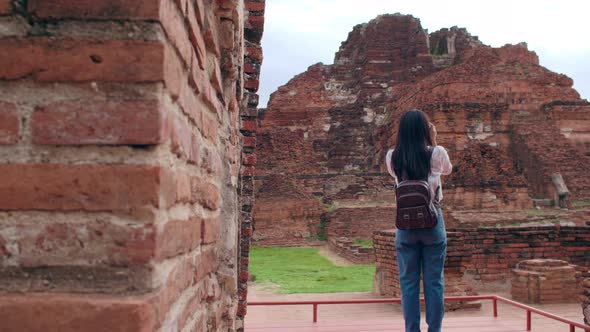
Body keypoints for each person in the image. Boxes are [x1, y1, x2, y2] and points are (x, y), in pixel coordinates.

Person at [385, 110, 453, 332]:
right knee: (434, 283)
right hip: (433, 220)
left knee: (408, 284)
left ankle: (411, 330)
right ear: (426, 129)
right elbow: (448, 171)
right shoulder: (436, 152)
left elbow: (395, 178)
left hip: (404, 224)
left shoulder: (392, 156)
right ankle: (435, 330)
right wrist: (433, 142)